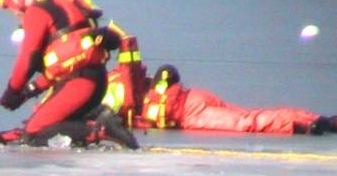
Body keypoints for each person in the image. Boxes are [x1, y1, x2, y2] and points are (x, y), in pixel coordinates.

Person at [0, 0, 140, 149]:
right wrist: (26, 94)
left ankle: (101, 129)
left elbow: (28, 60)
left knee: (33, 133)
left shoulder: (36, 11)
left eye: (9, 7)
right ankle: (96, 118)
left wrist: (12, 90)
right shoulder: (62, 2)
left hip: (78, 84)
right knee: (55, 124)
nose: (15, 13)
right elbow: (63, 63)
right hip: (95, 80)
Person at [137, 64, 337, 135]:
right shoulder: (139, 84)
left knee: (247, 122)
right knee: (248, 115)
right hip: (192, 96)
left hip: (188, 113)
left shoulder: (140, 104)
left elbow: (154, 119)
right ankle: (317, 119)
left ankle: (301, 124)